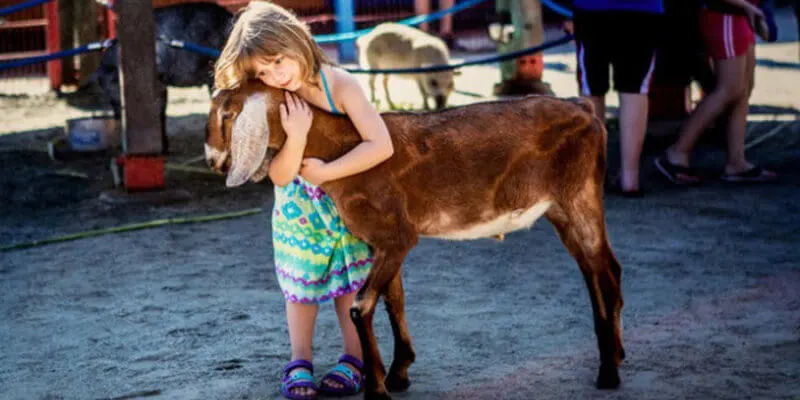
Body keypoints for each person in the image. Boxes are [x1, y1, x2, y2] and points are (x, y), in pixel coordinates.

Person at [213, 2, 394, 399]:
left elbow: (381, 144)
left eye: (278, 62)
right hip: (298, 215)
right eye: (262, 72)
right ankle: (300, 360)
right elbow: (279, 175)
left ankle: (354, 358)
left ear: (296, 41)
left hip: (346, 208)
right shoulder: (274, 96)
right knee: (301, 290)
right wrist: (295, 136)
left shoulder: (340, 85)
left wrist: (327, 173)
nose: (274, 76)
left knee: (349, 285)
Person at [654, 0, 778, 184]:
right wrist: (746, 6)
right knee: (729, 89)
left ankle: (736, 161)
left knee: (743, 89)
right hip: (726, 13)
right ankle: (677, 151)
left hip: (743, 14)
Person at [568, 0, 665, 196]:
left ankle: (593, 177)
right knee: (635, 89)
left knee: (592, 89)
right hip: (643, 10)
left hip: (593, 8)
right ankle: (630, 178)